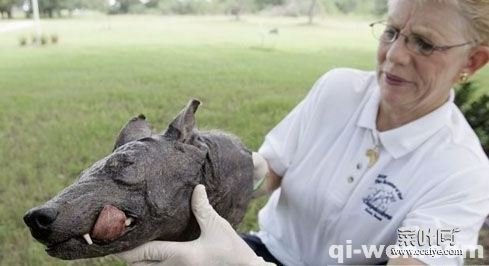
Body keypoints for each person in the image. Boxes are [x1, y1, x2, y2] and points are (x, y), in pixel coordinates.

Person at [118, 0, 489, 265]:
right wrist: (188, 190)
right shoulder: (337, 91)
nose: (395, 55)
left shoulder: (464, 173)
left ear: (472, 61)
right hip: (264, 249)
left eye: (423, 43)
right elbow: (267, 172)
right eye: (391, 31)